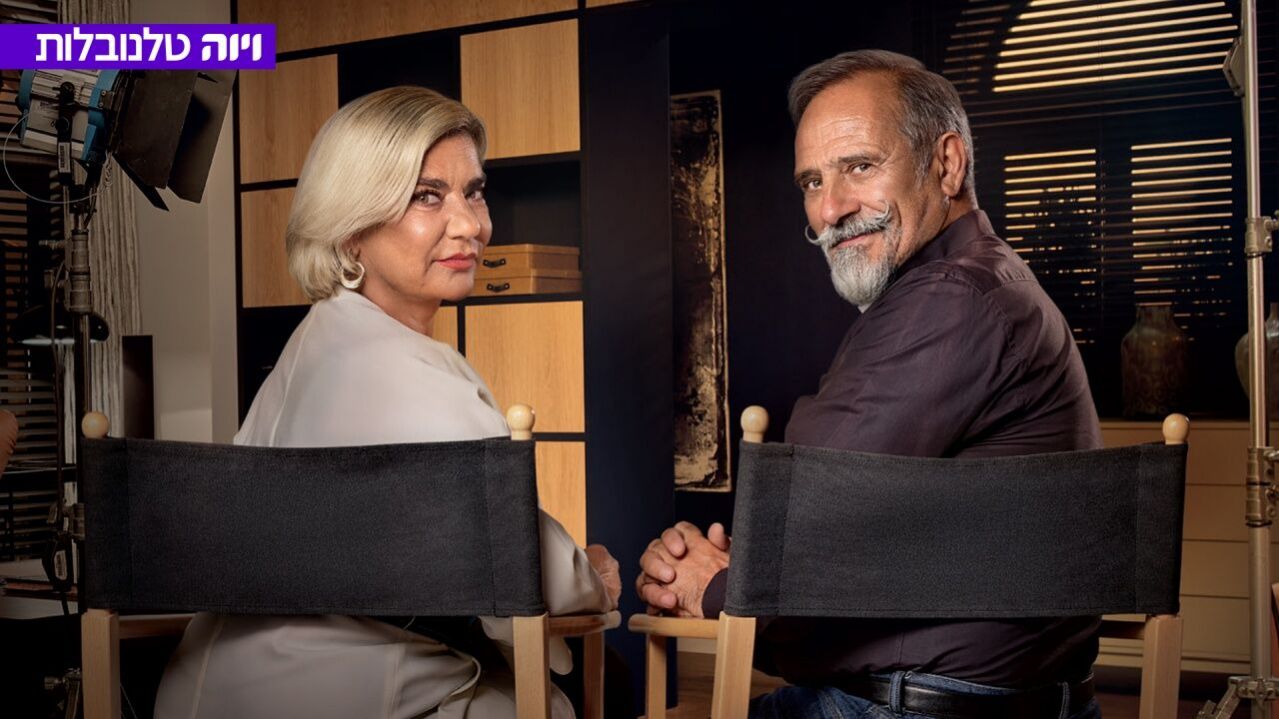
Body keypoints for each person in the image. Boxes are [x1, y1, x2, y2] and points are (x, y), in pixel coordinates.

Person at [637, 50, 1104, 719]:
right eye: (811, 181)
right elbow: (826, 537)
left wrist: (712, 585)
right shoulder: (979, 282)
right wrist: (743, 573)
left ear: (946, 164)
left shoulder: (952, 297)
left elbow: (803, 521)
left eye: (859, 166)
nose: (829, 209)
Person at [155, 86, 622, 719]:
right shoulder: (411, 374)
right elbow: (533, 573)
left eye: (474, 192)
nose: (471, 225)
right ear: (351, 231)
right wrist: (593, 575)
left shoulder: (310, 348)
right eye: (427, 196)